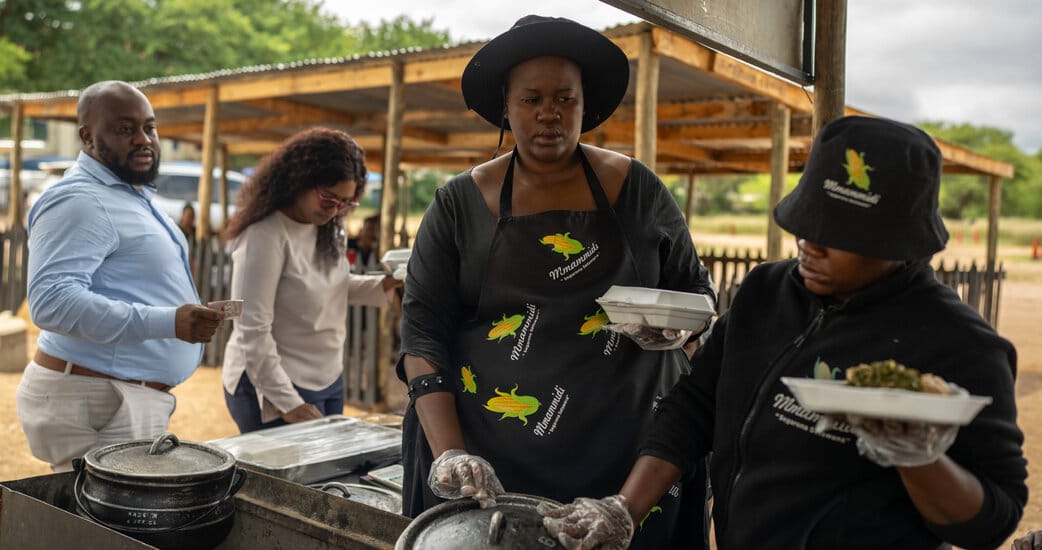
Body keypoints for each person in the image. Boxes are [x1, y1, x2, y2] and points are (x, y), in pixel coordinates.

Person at [540, 116, 1028, 549]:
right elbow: (692, 408)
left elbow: (990, 523)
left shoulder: (961, 346)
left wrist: (919, 458)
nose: (807, 245)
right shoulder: (765, 294)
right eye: (806, 222)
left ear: (900, 242)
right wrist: (625, 507)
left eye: (835, 235)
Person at [397, 15, 716, 549]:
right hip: (489, 455)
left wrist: (681, 331)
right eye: (531, 99)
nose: (549, 113)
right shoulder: (458, 202)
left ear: (584, 103)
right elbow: (422, 330)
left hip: (628, 453)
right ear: (505, 105)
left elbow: (699, 294)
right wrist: (451, 453)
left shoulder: (639, 189)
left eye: (564, 98)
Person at [18, 80, 226, 473]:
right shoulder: (79, 200)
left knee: (108, 527)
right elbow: (52, 302)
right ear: (86, 137)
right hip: (98, 398)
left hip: (116, 396)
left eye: (150, 127)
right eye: (125, 129)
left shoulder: (128, 195)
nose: (144, 139)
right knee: (99, 530)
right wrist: (169, 321)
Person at [220, 128, 403, 433]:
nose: (335, 210)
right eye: (328, 198)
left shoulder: (330, 227)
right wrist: (287, 402)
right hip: (270, 382)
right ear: (299, 178)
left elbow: (330, 287)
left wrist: (385, 283)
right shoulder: (264, 236)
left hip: (327, 377)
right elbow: (252, 329)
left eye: (346, 203)